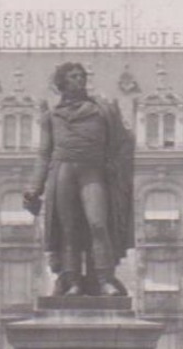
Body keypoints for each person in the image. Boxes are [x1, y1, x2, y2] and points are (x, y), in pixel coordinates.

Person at [23, 61, 135, 297]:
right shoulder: (51, 116)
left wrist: (114, 170)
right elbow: (43, 154)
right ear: (62, 82)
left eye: (82, 76)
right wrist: (34, 187)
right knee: (68, 229)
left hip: (93, 171)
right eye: (73, 76)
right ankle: (72, 281)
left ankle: (105, 279)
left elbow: (124, 143)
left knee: (98, 224)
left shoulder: (103, 110)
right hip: (63, 171)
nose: (80, 80)